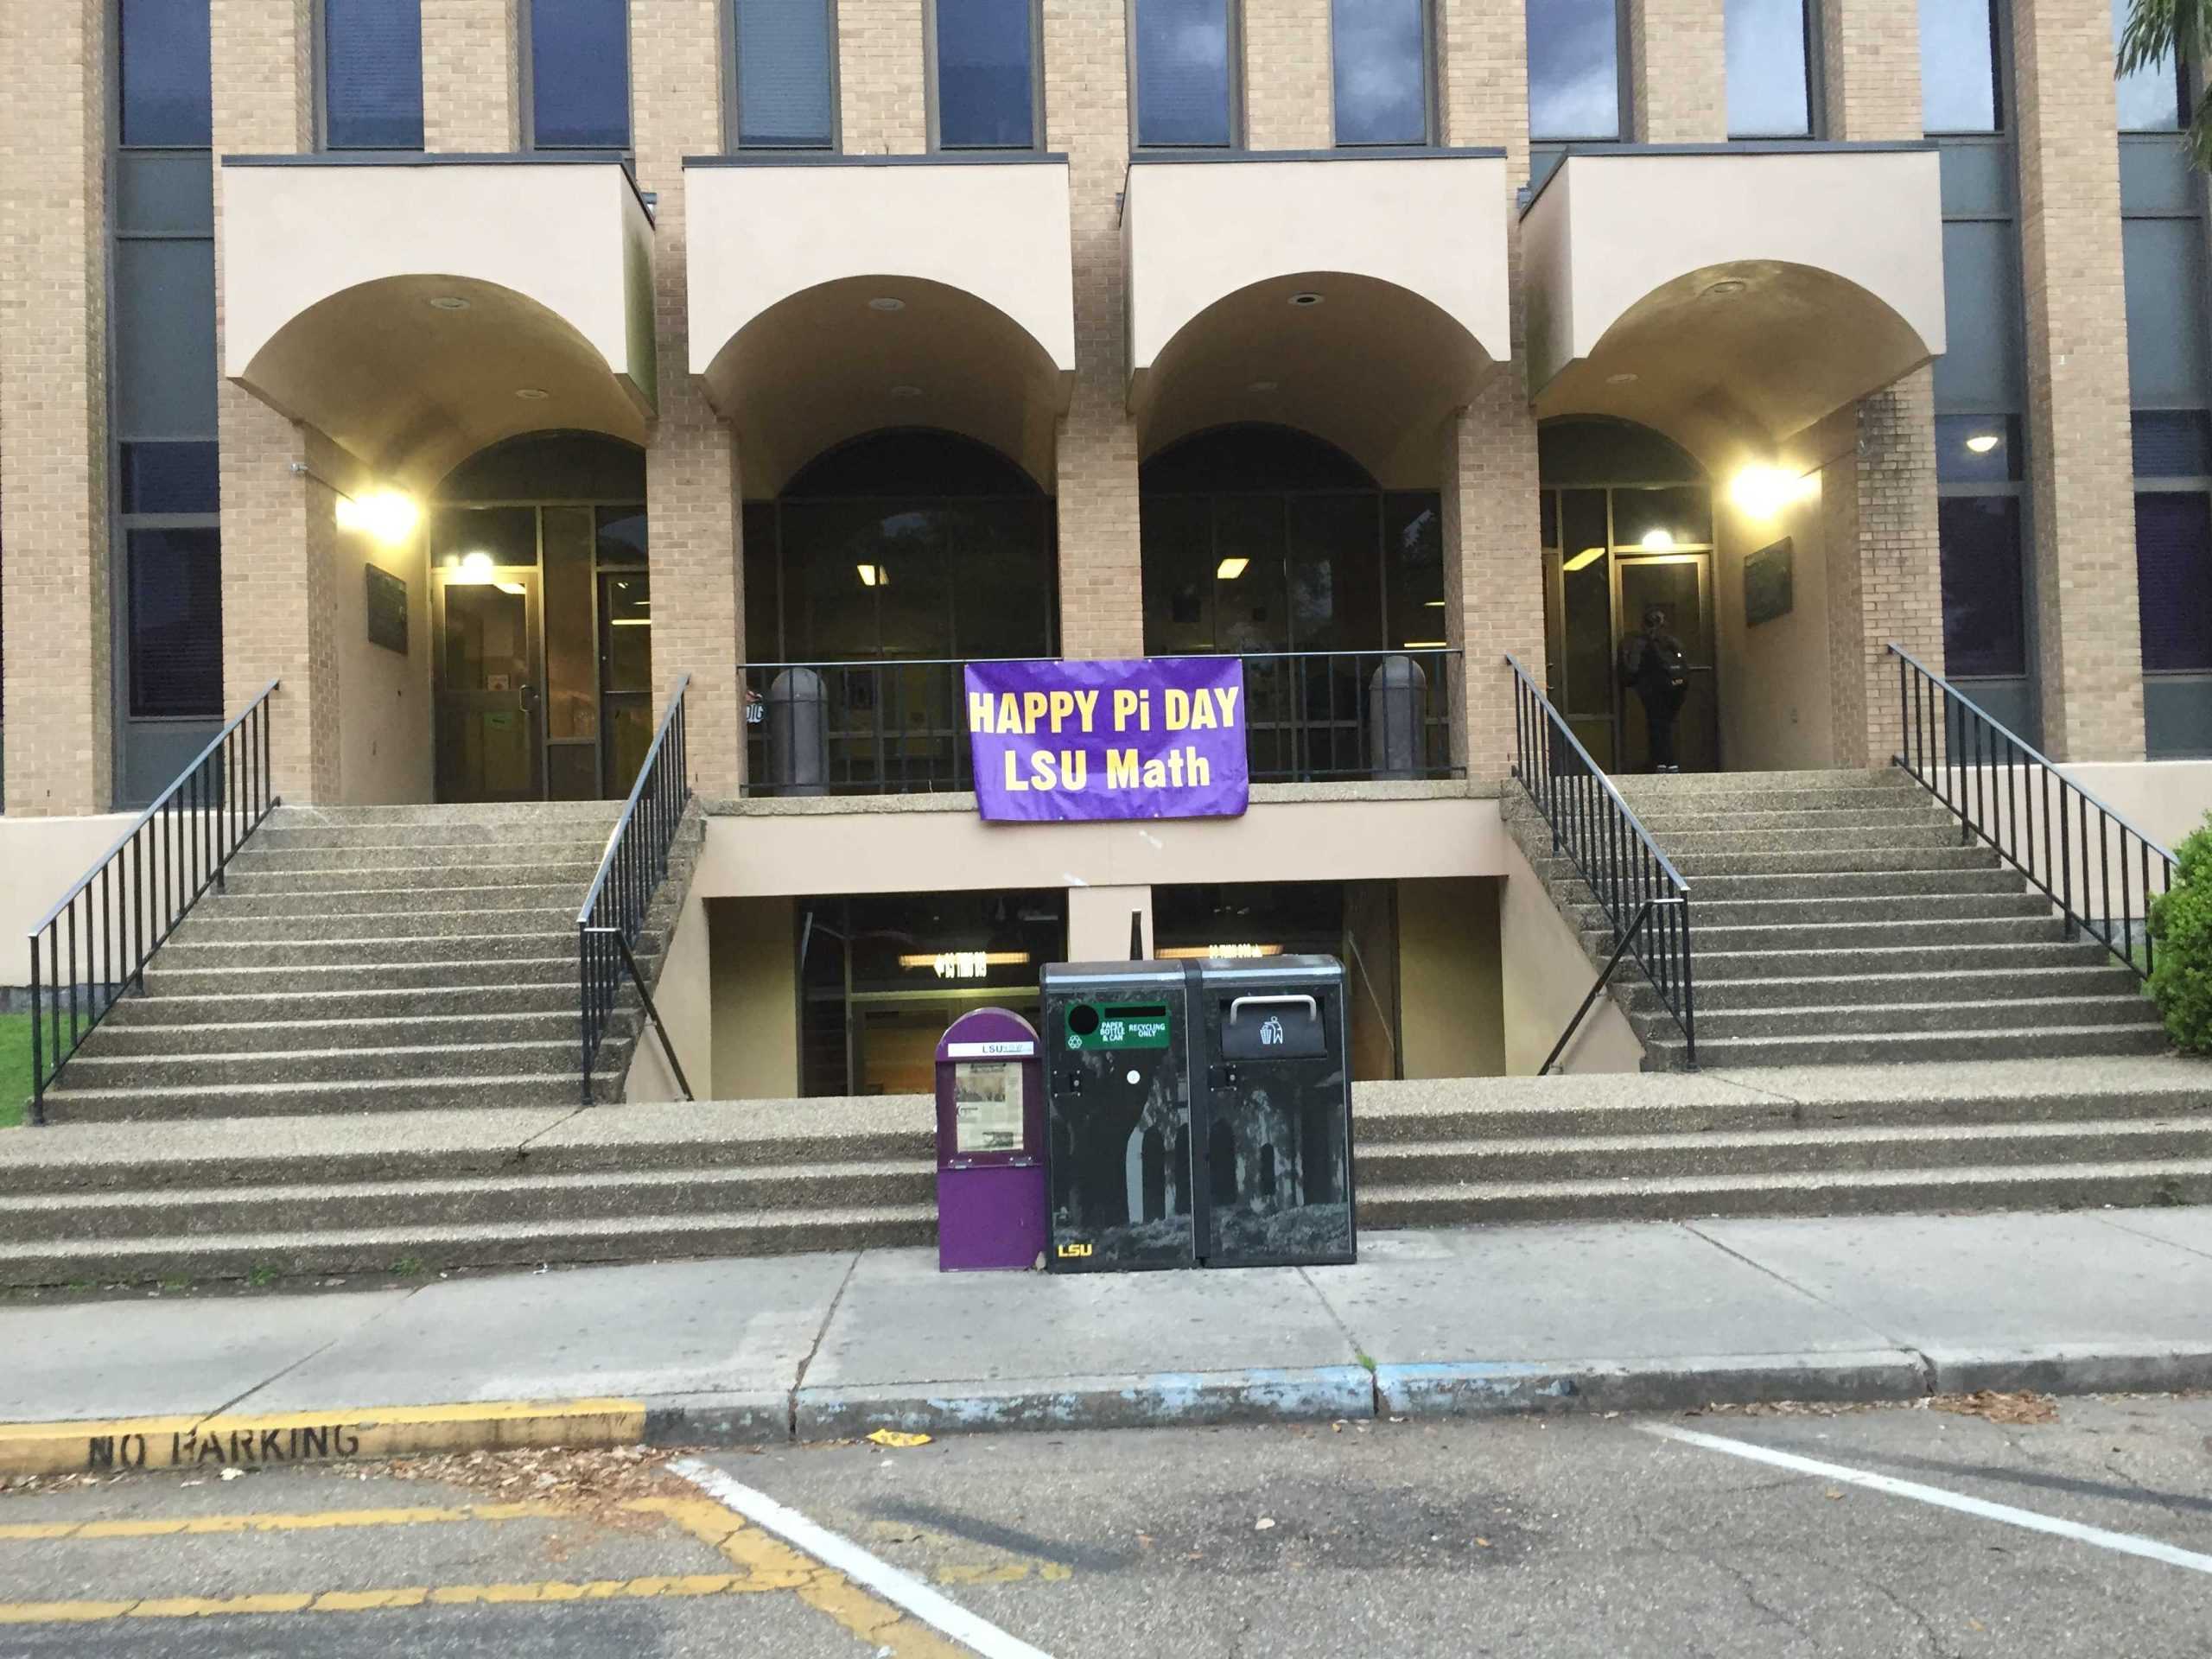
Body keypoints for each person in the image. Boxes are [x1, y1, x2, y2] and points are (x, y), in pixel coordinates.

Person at [1618, 606, 1690, 773]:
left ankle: (1662, 763)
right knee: (1668, 724)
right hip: (1675, 689)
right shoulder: (1672, 642)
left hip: (1651, 691)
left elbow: (1633, 669)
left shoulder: (1640, 643)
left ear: (1644, 624)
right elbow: (1684, 663)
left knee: (1656, 725)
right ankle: (1670, 763)